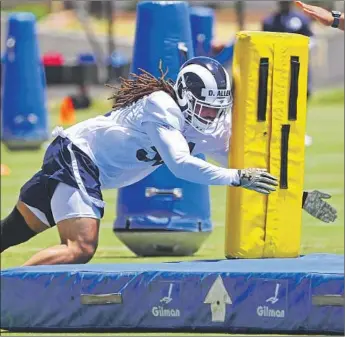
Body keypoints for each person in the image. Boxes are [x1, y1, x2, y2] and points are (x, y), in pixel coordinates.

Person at [0, 57, 337, 265]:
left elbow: (249, 172)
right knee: (81, 247)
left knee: (12, 231)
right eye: (205, 107)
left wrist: (299, 198)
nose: (211, 115)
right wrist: (236, 177)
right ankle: (11, 294)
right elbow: (180, 164)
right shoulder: (160, 104)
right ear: (185, 96)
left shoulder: (208, 127)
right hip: (77, 154)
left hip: (84, 165)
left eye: (216, 108)